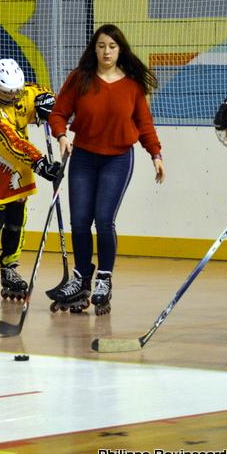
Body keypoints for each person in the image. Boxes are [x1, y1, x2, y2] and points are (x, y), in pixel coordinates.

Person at [47, 24, 164, 315]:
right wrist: (61, 136)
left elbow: (144, 123)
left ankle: (104, 279)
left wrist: (155, 154)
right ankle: (81, 278)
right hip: (84, 158)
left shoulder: (132, 85)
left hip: (117, 160)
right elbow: (59, 113)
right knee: (79, 221)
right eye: (101, 46)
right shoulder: (80, 78)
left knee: (103, 220)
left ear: (120, 49)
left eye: (112, 46)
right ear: (94, 49)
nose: (106, 52)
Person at [0, 58, 62, 302]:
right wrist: (40, 163)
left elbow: (42, 94)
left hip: (21, 161)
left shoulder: (23, 92)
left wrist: (48, 103)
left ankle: (10, 267)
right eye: (6, 92)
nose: (12, 96)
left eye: (15, 91)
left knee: (16, 217)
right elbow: (12, 142)